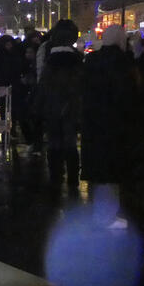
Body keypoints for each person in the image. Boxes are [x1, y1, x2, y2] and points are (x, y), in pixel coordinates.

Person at [81, 24, 144, 229]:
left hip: (94, 123)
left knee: (100, 171)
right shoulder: (123, 63)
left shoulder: (92, 61)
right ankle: (107, 217)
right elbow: (128, 98)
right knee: (112, 170)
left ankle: (100, 213)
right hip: (116, 125)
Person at [35, 19, 83, 191]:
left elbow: (42, 84)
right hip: (71, 107)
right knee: (70, 143)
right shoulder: (77, 59)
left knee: (54, 142)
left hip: (52, 107)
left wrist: (38, 107)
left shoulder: (50, 59)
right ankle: (73, 179)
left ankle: (55, 176)